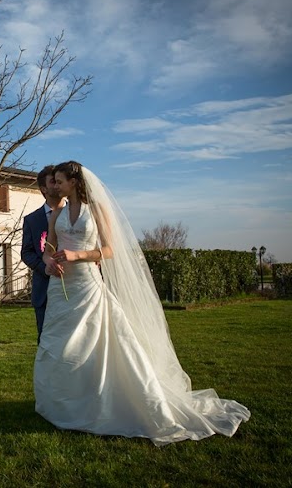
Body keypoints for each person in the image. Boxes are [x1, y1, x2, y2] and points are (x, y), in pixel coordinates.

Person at [34, 161, 250, 446]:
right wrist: (49, 263)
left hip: (87, 284)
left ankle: (105, 402)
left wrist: (77, 256)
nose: (55, 186)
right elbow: (49, 247)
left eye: (59, 181)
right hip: (62, 289)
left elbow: (109, 250)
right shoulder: (58, 211)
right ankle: (67, 404)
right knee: (61, 346)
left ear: (74, 182)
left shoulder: (96, 210)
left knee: (97, 343)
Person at [21, 165, 65, 343]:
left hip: (75, 286)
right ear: (44, 189)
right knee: (47, 341)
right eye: (53, 181)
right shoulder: (32, 220)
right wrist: (44, 267)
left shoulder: (79, 215)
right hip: (44, 291)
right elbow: (26, 252)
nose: (58, 185)